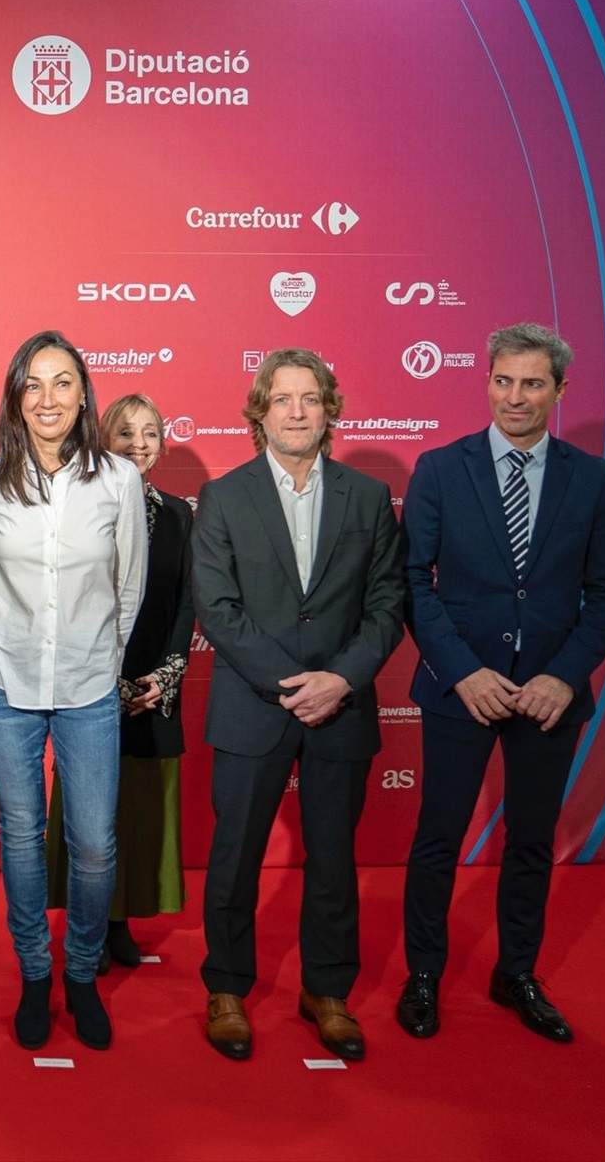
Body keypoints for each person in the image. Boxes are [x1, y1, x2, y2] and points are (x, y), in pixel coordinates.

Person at [396, 323, 605, 1044]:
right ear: (487, 382)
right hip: (463, 688)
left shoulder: (591, 478)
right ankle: (425, 975)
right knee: (438, 837)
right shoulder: (440, 468)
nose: (515, 397)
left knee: (531, 842)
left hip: (546, 699)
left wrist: (564, 677)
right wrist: (463, 672)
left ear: (559, 391)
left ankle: (515, 972)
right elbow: (414, 583)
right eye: (504, 381)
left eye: (533, 383)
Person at [193, 348, 405, 1062]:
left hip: (342, 707)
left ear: (329, 410)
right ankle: (225, 987)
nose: (295, 411)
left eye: (309, 399)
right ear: (260, 412)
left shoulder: (368, 499)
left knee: (335, 859)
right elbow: (218, 610)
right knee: (235, 856)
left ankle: (327, 990)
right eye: (281, 399)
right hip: (255, 704)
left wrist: (338, 680)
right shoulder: (225, 497)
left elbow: (386, 605)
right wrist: (294, 683)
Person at [0, 332, 145, 1051]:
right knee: (21, 836)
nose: (48, 399)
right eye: (33, 385)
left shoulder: (119, 481)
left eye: (63, 383)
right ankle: (36, 973)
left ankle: (81, 972)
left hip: (89, 685)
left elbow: (127, 588)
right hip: (6, 683)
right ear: (14, 397)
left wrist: (98, 655)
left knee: (95, 845)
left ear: (83, 395)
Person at [50, 393, 193, 972]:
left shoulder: (182, 514)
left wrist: (166, 676)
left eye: (151, 433)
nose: (139, 444)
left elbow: (188, 603)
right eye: (126, 433)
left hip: (154, 687)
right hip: (89, 682)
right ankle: (87, 924)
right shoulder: (78, 505)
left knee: (138, 812)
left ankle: (120, 922)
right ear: (102, 441)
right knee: (90, 815)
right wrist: (102, 675)